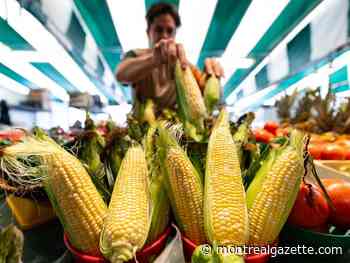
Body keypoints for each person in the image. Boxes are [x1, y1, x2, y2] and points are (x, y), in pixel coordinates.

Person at [116, 2, 224, 115]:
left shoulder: (184, 65)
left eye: (169, 30)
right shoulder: (136, 55)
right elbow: (121, 74)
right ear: (148, 32)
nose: (164, 36)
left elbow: (209, 92)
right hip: (141, 129)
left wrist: (212, 77)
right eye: (158, 30)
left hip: (174, 129)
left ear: (175, 33)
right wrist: (153, 59)